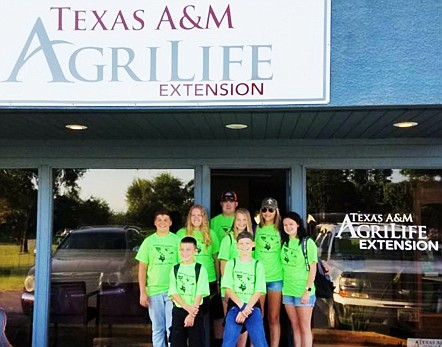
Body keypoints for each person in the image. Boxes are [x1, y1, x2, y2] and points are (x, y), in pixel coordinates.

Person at [176, 205, 221, 346]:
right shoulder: (181, 233)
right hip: (188, 281)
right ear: (189, 217)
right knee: (191, 317)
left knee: (212, 316)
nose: (196, 218)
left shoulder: (211, 233)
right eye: (193, 215)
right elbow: (177, 259)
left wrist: (219, 281)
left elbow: (216, 259)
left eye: (199, 215)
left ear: (204, 218)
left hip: (209, 280)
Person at [136, 209, 180, 347]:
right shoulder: (148, 242)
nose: (162, 223)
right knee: (158, 328)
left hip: (172, 291)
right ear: (155, 222)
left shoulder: (177, 240)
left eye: (166, 220)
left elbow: (183, 267)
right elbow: (142, 268)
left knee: (171, 328)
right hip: (154, 291)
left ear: (171, 222)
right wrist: (143, 292)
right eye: (159, 220)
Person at [221, 231, 268, 347]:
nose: (244, 246)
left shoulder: (258, 265)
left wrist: (246, 309)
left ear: (253, 244)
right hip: (235, 306)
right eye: (241, 244)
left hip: (252, 307)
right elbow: (228, 288)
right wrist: (242, 307)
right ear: (237, 246)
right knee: (228, 343)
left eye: (247, 243)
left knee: (260, 343)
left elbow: (258, 290)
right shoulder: (232, 263)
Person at [218, 208, 254, 347]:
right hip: (231, 289)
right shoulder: (228, 238)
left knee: (244, 324)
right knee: (232, 326)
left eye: (244, 219)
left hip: (246, 289)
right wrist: (227, 289)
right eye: (238, 219)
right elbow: (223, 265)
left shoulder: (251, 239)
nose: (241, 222)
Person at [281, 212, 317, 347]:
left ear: (297, 224)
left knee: (304, 328)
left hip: (303, 291)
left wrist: (307, 290)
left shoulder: (307, 243)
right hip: (288, 291)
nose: (288, 227)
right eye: (285, 224)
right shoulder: (284, 242)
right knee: (295, 326)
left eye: (291, 224)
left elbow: (313, 268)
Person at [168, 236, 210, 347]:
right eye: (182, 249)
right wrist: (186, 307)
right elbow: (174, 292)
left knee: (196, 342)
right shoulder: (175, 269)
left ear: (195, 251)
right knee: (177, 342)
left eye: (188, 250)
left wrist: (192, 314)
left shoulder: (200, 269)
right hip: (179, 310)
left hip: (195, 311)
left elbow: (200, 293)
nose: (184, 253)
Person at [254, 197, 283, 347]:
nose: (267, 212)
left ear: (276, 211)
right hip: (258, 279)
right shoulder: (255, 229)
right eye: (264, 209)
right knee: (257, 318)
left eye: (271, 210)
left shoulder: (281, 230)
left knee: (273, 318)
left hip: (276, 278)